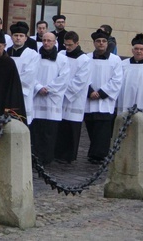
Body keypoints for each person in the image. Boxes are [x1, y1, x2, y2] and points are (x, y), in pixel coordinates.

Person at [30, 32, 70, 165]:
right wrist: (38, 87)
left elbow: (63, 78)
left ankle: (47, 158)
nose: (46, 43)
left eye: (49, 41)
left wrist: (48, 89)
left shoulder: (63, 60)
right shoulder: (34, 57)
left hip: (52, 100)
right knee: (36, 131)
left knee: (49, 132)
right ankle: (34, 157)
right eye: (44, 40)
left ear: (55, 42)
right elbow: (30, 75)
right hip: (37, 98)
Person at [84, 28, 124, 164]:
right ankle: (95, 152)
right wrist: (90, 91)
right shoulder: (87, 58)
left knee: (103, 130)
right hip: (89, 99)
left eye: (103, 41)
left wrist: (101, 93)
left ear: (107, 43)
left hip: (105, 101)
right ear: (94, 43)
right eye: (98, 41)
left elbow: (117, 79)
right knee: (91, 127)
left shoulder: (115, 60)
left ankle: (99, 155)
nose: (101, 43)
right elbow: (82, 76)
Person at [54, 31, 91, 164]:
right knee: (60, 126)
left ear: (77, 43)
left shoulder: (85, 60)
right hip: (59, 96)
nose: (67, 47)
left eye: (70, 45)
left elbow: (80, 81)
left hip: (74, 99)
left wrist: (63, 90)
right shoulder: (61, 54)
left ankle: (68, 155)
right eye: (65, 44)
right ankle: (57, 153)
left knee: (71, 127)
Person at [6, 21, 39, 125]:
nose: (18, 38)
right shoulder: (6, 53)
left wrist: (11, 83)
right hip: (6, 93)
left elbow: (29, 75)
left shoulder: (32, 54)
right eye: (16, 35)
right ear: (11, 37)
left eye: (21, 36)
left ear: (26, 38)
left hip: (22, 93)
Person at [118, 34, 143, 112]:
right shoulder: (124, 64)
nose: (139, 51)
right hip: (126, 98)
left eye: (141, 49)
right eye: (136, 49)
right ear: (132, 50)